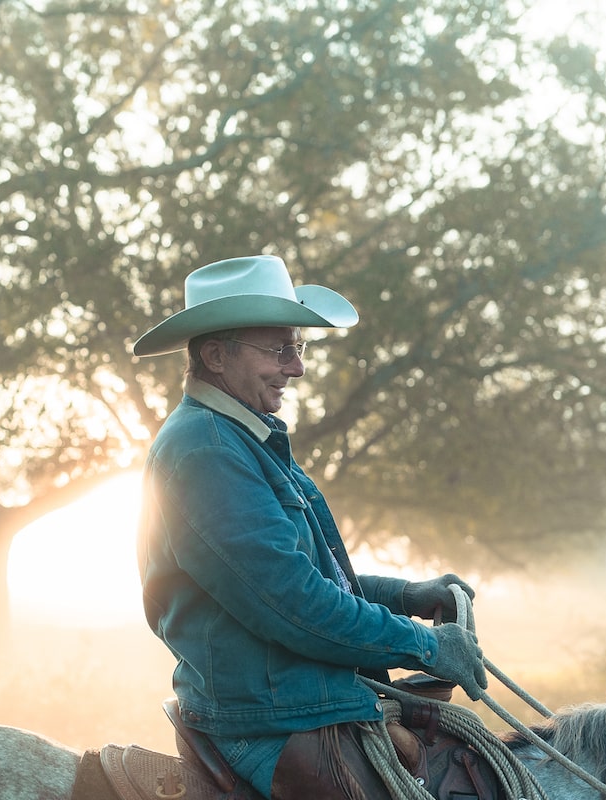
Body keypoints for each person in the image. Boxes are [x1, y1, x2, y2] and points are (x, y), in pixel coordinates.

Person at [133, 254, 488, 800]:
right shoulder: (205, 450)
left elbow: (314, 578)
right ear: (215, 355)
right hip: (271, 720)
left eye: (298, 348)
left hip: (301, 701)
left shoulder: (243, 438)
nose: (296, 368)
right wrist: (424, 645)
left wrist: (407, 597)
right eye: (279, 349)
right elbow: (292, 604)